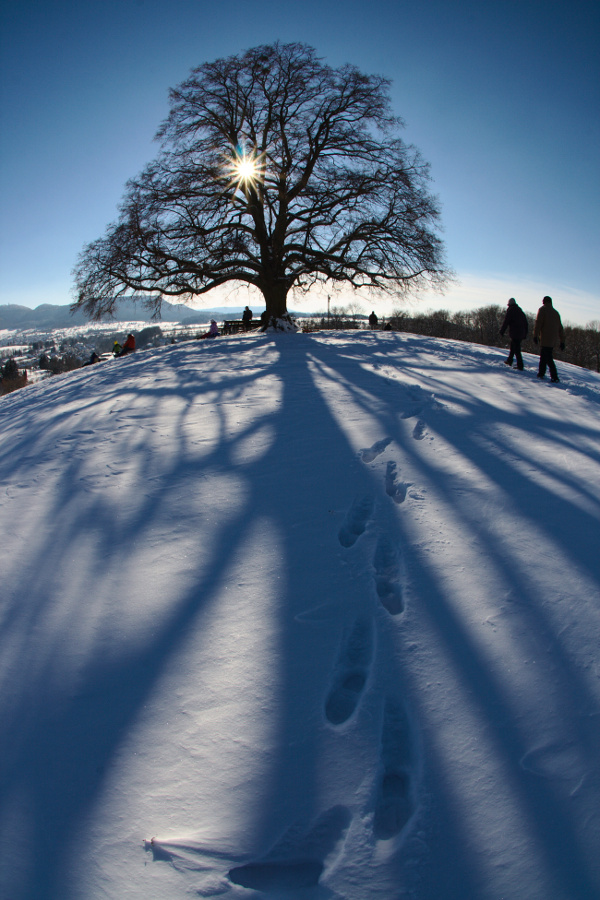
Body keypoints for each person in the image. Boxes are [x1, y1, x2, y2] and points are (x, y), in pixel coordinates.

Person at [533, 296, 565, 383]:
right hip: (552, 339)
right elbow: (560, 328)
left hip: (545, 338)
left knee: (548, 358)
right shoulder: (556, 313)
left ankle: (554, 376)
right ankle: (541, 373)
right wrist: (562, 341)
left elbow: (538, 324)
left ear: (544, 302)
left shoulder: (542, 310)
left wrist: (535, 335)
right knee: (543, 356)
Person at [499, 297, 528, 370]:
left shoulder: (511, 310)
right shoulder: (520, 310)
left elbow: (506, 321)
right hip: (521, 333)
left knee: (516, 349)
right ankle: (509, 360)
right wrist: (525, 333)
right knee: (513, 346)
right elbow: (526, 323)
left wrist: (502, 331)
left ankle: (520, 365)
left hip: (515, 333)